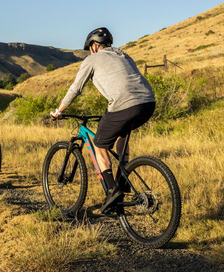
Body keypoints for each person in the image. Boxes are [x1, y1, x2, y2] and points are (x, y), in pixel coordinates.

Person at [51, 27, 156, 211]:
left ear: (93, 46)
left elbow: (76, 88)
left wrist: (59, 110)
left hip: (125, 104)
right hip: (148, 103)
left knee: (99, 144)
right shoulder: (124, 55)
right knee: (121, 133)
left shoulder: (91, 59)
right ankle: (123, 180)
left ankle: (112, 190)